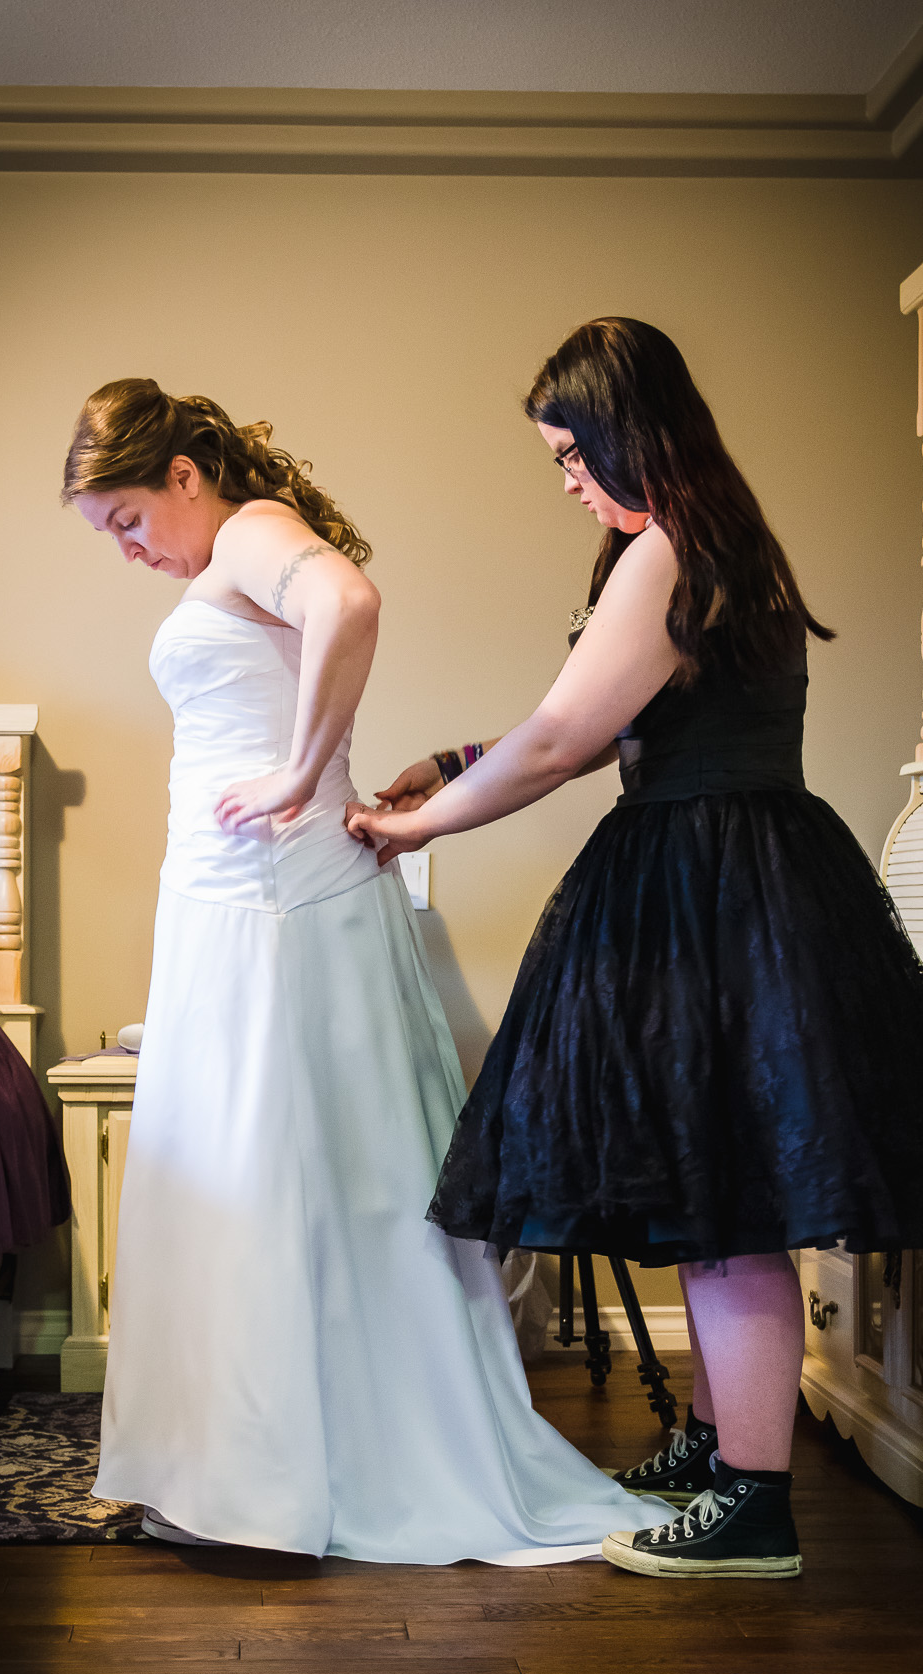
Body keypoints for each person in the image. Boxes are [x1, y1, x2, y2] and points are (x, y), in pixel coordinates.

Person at [347, 318, 923, 1582]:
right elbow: (591, 731)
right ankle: (713, 1446)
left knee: (729, 1199)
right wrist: (459, 760)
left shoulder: (668, 549)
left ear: (625, 429)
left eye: (572, 453)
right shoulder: (703, 541)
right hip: (736, 875)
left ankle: (753, 1500)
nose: (570, 479)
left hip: (710, 890)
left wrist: (413, 821)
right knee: (711, 1189)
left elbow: (557, 745)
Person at [62, 377, 666, 1562]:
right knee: (274, 1167)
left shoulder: (247, 529)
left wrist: (298, 777)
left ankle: (263, 1480)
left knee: (272, 1163)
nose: (129, 551)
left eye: (130, 519)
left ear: (184, 473)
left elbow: (351, 599)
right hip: (244, 899)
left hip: (273, 901)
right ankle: (235, 1467)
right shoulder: (233, 549)